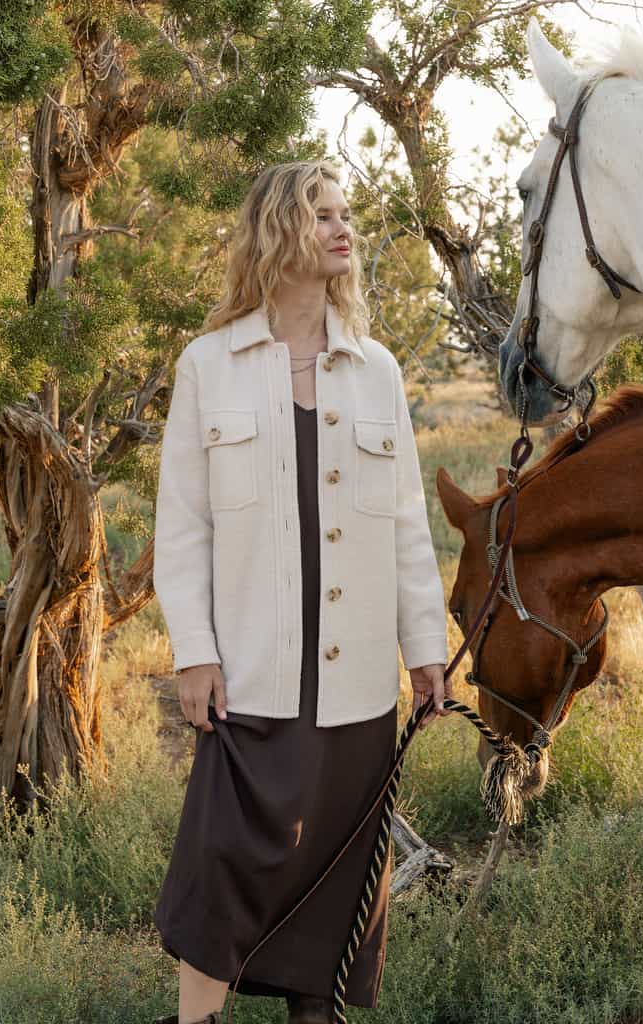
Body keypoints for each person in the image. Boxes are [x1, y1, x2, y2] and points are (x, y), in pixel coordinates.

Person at [151, 159, 451, 1024]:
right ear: (279, 232)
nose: (341, 227)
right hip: (250, 673)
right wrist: (196, 654)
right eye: (321, 214)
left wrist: (424, 651)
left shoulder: (379, 373)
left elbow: (404, 527)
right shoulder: (209, 364)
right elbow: (184, 527)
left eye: (344, 212)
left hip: (356, 686)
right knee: (224, 860)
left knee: (341, 879)